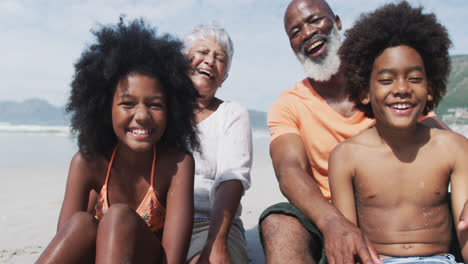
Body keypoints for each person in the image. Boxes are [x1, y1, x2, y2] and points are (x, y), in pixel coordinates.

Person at [258, 0, 450, 263]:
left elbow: (446, 142)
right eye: (295, 31)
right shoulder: (288, 104)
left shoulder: (387, 85)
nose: (307, 32)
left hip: (404, 214)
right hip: (329, 216)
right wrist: (333, 222)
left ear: (337, 22)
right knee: (279, 222)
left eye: (315, 20)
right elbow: (288, 169)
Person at [36, 18, 199, 264]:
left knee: (118, 217)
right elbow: (68, 242)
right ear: (105, 107)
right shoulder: (86, 163)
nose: (142, 116)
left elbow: (172, 259)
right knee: (80, 223)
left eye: (155, 105)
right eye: (128, 104)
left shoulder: (177, 164)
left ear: (172, 110)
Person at [329, 1, 468, 263]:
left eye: (415, 78)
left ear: (430, 88)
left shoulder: (455, 148)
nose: (402, 88)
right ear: (364, 92)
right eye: (385, 80)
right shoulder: (346, 156)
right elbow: (348, 241)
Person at [182, 24, 252, 264]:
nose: (209, 61)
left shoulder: (232, 114)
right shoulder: (160, 109)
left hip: (210, 224)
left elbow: (231, 178)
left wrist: (216, 242)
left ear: (224, 77)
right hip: (162, 221)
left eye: (219, 58)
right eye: (202, 52)